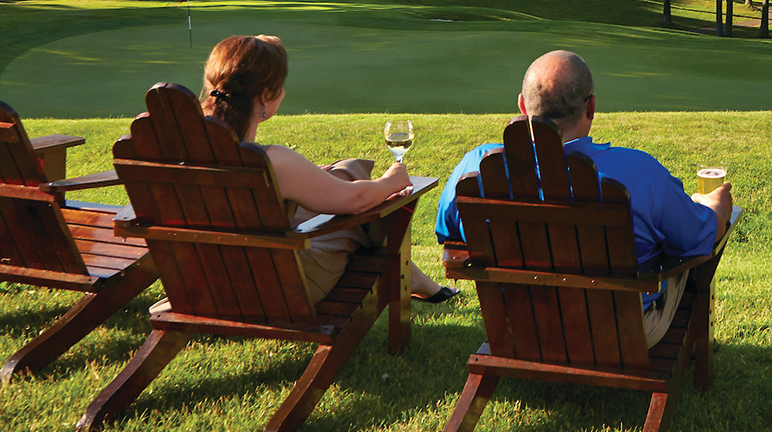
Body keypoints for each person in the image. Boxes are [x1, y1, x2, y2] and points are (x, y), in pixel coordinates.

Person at [433, 50, 733, 343]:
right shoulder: (639, 173)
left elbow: (448, 233)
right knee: (689, 255)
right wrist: (716, 211)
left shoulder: (477, 166)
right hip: (618, 335)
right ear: (591, 107)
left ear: (523, 106)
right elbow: (696, 238)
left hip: (515, 325)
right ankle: (695, 353)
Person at [201, 34, 456, 306]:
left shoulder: (184, 150)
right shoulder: (272, 161)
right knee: (361, 215)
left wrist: (316, 179)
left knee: (344, 172)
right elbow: (355, 200)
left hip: (205, 280)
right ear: (266, 95)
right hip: (280, 288)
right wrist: (391, 181)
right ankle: (410, 275)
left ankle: (414, 276)